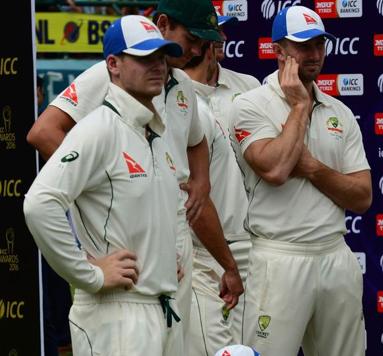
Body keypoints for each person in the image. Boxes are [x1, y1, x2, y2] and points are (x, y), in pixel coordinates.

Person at [25, 0, 244, 352]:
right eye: (192, 39)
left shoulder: (166, 108)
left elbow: (195, 139)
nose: (198, 50)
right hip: (118, 294)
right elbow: (42, 153)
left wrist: (200, 183)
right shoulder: (105, 111)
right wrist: (94, 187)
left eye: (161, 56)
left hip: (165, 278)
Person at [24, 15, 185, 355]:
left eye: (161, 56)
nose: (157, 65)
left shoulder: (156, 131)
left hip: (164, 308)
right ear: (113, 64)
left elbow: (167, 207)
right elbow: (39, 203)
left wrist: (171, 253)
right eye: (143, 57)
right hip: (116, 316)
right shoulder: (98, 128)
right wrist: (89, 274)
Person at [230, 5, 372, 355]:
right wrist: (298, 107)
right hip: (279, 256)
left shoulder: (340, 111)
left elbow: (362, 197)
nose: (314, 54)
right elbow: (276, 169)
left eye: (319, 44)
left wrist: (311, 168)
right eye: (303, 45)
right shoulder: (250, 105)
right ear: (278, 51)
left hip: (335, 254)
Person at [182, 41, 251, 354]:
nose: (222, 39)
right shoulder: (177, 102)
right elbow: (195, 197)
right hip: (202, 253)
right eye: (213, 34)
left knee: (245, 348)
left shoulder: (245, 86)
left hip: (247, 244)